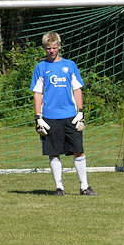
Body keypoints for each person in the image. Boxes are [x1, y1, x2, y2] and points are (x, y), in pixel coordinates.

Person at [31, 31, 96, 197]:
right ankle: (59, 187)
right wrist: (38, 117)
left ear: (59, 46)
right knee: (54, 152)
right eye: (48, 48)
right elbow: (38, 93)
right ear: (44, 48)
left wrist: (80, 112)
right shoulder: (40, 68)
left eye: (54, 47)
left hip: (71, 117)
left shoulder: (70, 65)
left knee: (78, 150)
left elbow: (77, 89)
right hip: (49, 117)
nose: (51, 51)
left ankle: (84, 187)